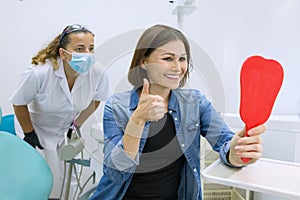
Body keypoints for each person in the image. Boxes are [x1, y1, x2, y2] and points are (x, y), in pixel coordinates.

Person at [89, 24, 265, 200]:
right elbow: (115, 173)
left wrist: (235, 154)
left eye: (182, 59)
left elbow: (225, 142)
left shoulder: (195, 103)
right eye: (167, 58)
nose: (178, 67)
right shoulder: (117, 106)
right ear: (143, 61)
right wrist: (137, 120)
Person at [9, 24, 110, 199]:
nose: (87, 54)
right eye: (80, 49)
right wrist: (29, 133)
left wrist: (75, 125)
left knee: (68, 180)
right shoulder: (39, 74)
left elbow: (96, 100)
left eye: (91, 48)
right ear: (63, 53)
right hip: (35, 128)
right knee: (41, 178)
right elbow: (19, 103)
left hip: (64, 130)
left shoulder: (97, 73)